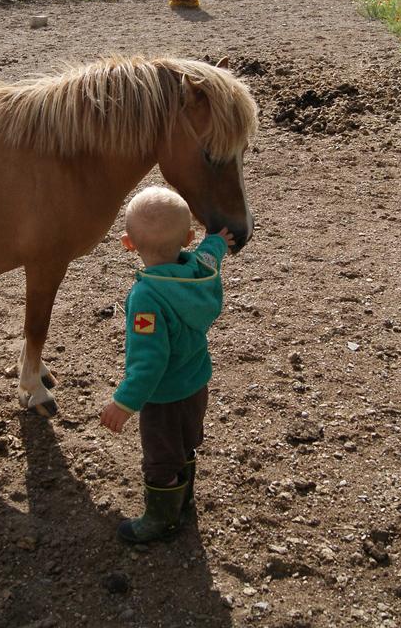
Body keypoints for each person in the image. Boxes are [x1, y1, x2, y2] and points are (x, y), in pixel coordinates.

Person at [100, 185, 234, 543]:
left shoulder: (146, 297)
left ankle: (162, 518)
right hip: (196, 385)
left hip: (164, 397)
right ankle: (183, 499)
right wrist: (217, 240)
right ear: (188, 238)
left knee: (160, 459)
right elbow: (210, 254)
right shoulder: (200, 270)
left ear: (128, 243)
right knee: (184, 443)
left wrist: (124, 403)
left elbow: (149, 361)